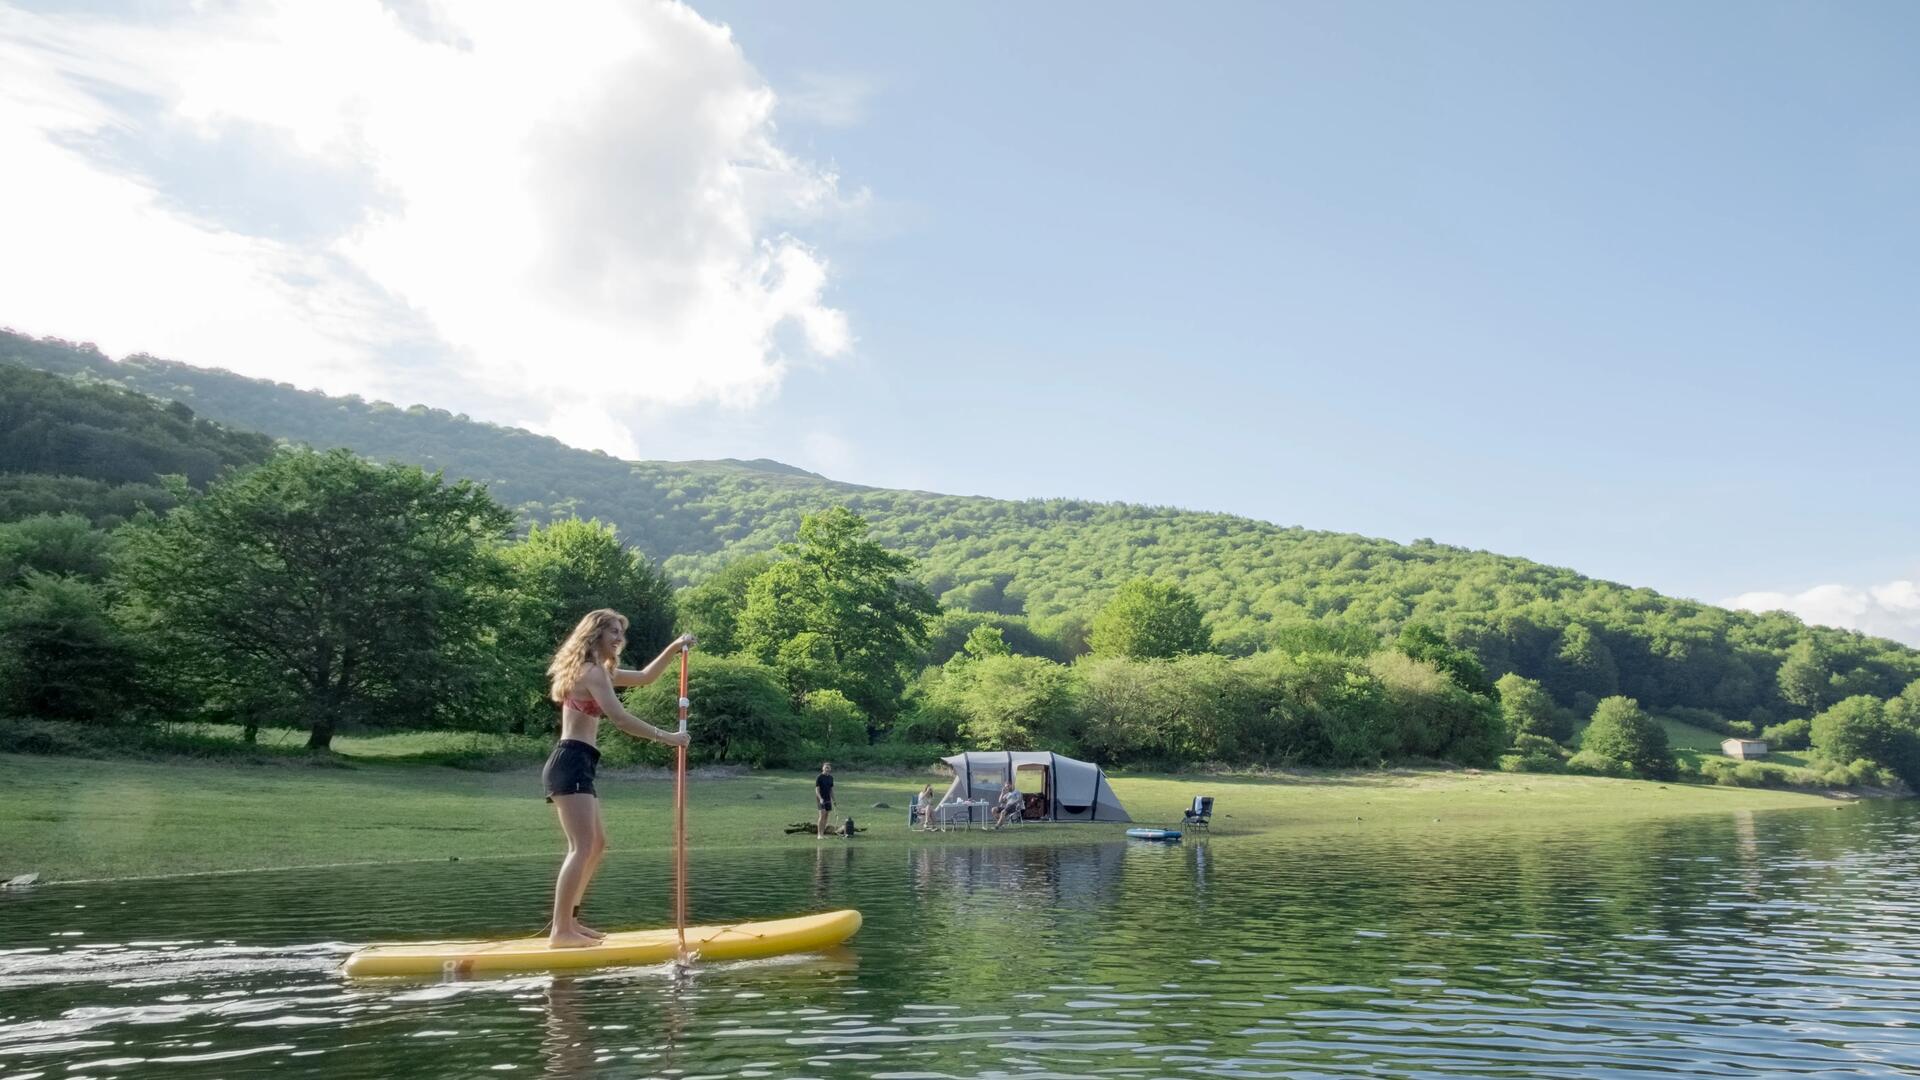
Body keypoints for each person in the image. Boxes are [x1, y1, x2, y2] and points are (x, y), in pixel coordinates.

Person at [543, 609, 694, 948]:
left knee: (596, 845)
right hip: (570, 761)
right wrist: (669, 737)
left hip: (580, 762)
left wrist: (675, 647)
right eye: (611, 631)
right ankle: (560, 932)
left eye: (620, 632)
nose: (618, 638)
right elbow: (621, 719)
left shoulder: (600, 672)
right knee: (582, 846)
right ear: (593, 634)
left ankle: (572, 923)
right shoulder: (591, 672)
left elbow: (645, 677)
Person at [815, 762, 835, 838]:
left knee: (826, 816)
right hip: (820, 799)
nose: (827, 769)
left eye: (828, 767)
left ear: (830, 769)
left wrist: (834, 800)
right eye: (826, 767)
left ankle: (822, 834)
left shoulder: (831, 778)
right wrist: (820, 799)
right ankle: (819, 834)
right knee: (822, 815)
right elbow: (817, 790)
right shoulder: (819, 777)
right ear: (823, 768)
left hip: (828, 799)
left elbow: (831, 790)